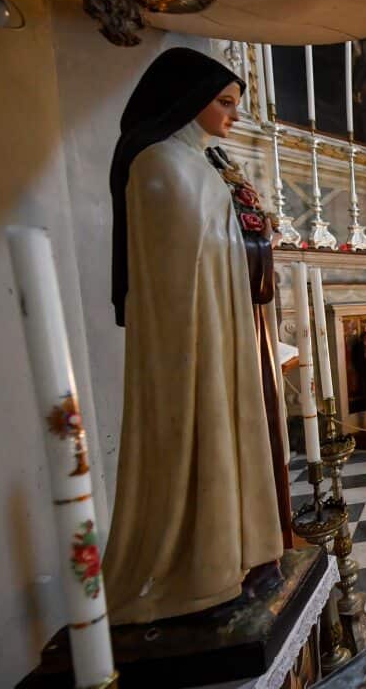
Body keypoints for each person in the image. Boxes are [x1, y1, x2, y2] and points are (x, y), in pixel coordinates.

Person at [105, 48, 286, 625]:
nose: (232, 115)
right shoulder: (158, 162)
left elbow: (219, 242)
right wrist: (248, 243)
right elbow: (185, 258)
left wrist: (255, 240)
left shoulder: (201, 162)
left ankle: (240, 549)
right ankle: (195, 569)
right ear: (188, 100)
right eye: (224, 103)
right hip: (189, 338)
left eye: (235, 103)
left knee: (234, 430)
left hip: (224, 323)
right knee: (197, 434)